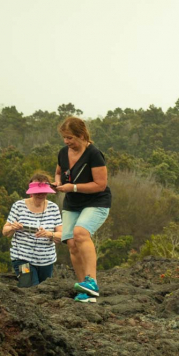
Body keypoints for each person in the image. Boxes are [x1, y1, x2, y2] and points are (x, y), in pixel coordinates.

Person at [54, 116, 111, 302]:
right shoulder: (63, 152)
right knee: (71, 242)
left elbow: (100, 185)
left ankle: (92, 281)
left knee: (80, 233)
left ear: (81, 135)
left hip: (96, 201)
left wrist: (74, 187)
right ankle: (85, 290)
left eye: (70, 137)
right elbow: (58, 171)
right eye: (64, 137)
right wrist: (57, 182)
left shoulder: (94, 154)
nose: (66, 141)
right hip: (72, 203)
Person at [2, 172, 63, 287]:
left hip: (46, 261)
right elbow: (5, 231)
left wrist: (49, 234)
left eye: (43, 192)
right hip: (22, 258)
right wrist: (13, 227)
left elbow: (62, 235)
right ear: (31, 192)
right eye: (37, 192)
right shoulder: (18, 206)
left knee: (43, 290)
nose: (40, 195)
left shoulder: (53, 208)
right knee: (29, 286)